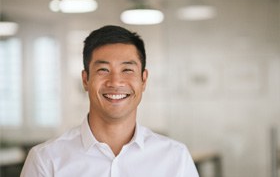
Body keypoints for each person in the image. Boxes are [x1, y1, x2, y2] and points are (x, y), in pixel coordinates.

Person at [20, 25, 199, 177]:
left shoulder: (176, 157)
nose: (115, 82)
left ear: (143, 80)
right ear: (85, 80)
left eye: (127, 70)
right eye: (103, 70)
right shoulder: (45, 160)